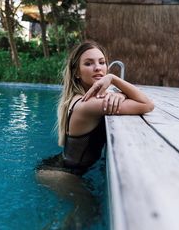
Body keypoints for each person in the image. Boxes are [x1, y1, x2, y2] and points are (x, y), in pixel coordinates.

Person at [36, 40, 154, 229]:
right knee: (87, 213)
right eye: (89, 63)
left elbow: (123, 98)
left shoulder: (81, 98)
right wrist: (113, 79)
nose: (98, 68)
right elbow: (147, 105)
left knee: (81, 216)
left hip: (56, 166)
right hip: (61, 173)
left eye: (101, 62)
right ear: (76, 72)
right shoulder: (89, 105)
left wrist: (119, 94)